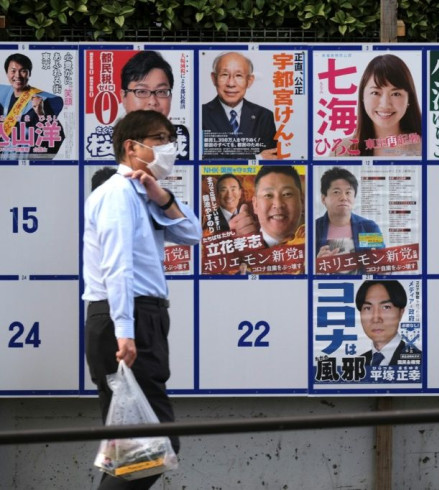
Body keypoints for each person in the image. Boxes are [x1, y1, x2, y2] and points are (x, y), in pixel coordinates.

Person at [82, 110, 201, 489]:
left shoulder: (144, 193)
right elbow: (118, 266)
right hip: (126, 316)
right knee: (149, 446)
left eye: (170, 138)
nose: (170, 147)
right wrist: (125, 331)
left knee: (136, 449)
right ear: (132, 147)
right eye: (160, 138)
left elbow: (193, 234)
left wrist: (161, 195)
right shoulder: (117, 194)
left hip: (139, 316)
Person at [331, 54, 421, 158]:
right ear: (362, 96)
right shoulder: (341, 150)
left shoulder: (427, 147)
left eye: (396, 94)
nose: (385, 104)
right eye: (375, 93)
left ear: (409, 98)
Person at [201, 52, 278, 160]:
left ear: (249, 81)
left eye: (238, 75)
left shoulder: (264, 116)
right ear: (214, 79)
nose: (231, 83)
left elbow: (270, 158)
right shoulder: (200, 115)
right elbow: (204, 158)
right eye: (224, 75)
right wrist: (256, 157)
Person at [119, 50, 189, 159]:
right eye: (142, 91)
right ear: (123, 96)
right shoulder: (107, 146)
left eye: (161, 91)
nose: (152, 101)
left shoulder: (183, 146)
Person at [315, 167, 384, 271]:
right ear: (323, 198)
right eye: (336, 192)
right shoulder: (312, 229)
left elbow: (384, 266)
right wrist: (315, 266)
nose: (344, 197)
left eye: (348, 193)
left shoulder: (368, 228)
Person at [0, 52, 65, 157]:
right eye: (13, 71)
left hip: (24, 159)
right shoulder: (3, 96)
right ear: (7, 73)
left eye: (23, 71)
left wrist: (40, 113)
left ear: (29, 73)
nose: (17, 75)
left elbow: (56, 134)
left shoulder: (42, 100)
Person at [355, 280, 421, 367]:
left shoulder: (421, 361)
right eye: (368, 308)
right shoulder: (357, 365)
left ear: (401, 312)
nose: (376, 319)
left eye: (386, 307)